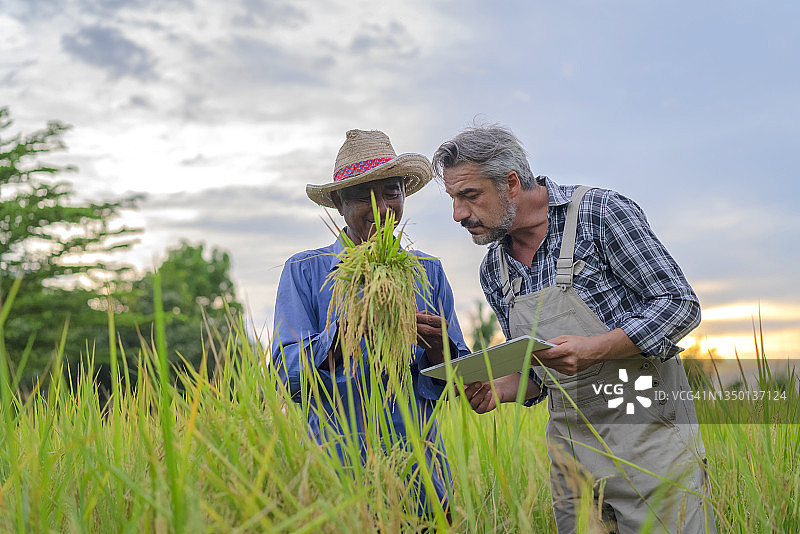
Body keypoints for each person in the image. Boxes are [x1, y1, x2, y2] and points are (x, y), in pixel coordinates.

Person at [432, 125, 717, 533]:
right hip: (572, 465)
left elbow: (678, 306)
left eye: (469, 196)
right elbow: (540, 373)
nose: (458, 214)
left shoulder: (600, 214)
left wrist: (596, 348)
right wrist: (501, 389)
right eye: (453, 199)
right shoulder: (494, 270)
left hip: (650, 446)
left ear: (511, 183)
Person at [271, 129, 470, 520]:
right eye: (363, 195)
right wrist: (341, 338)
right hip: (336, 475)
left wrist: (437, 348)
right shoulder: (306, 271)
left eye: (391, 192)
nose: (380, 208)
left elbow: (457, 382)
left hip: (421, 475)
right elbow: (284, 374)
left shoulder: (428, 271)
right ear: (339, 205)